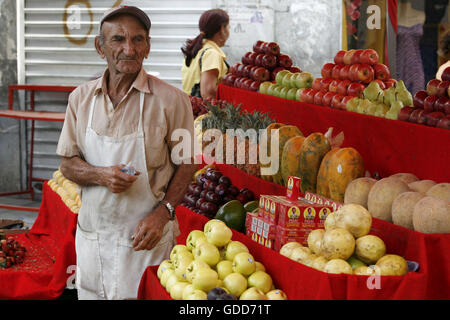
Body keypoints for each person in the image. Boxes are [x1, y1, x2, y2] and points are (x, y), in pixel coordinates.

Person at [56, 6, 197, 300]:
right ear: (100, 47)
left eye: (138, 39)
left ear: (147, 47)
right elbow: (67, 164)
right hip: (93, 237)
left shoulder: (172, 101)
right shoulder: (80, 99)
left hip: (146, 242)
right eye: (118, 39)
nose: (128, 49)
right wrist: (101, 175)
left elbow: (187, 165)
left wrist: (163, 213)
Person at [181, 9, 230, 100]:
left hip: (192, 109)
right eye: (228, 27)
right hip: (206, 113)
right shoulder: (212, 54)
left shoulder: (196, 50)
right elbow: (208, 93)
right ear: (222, 29)